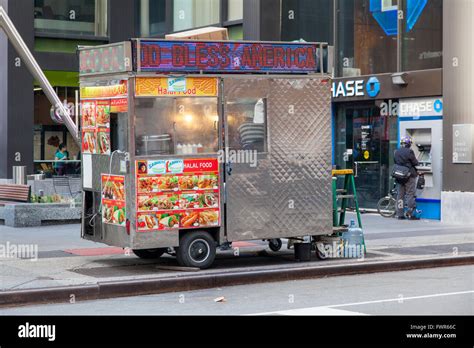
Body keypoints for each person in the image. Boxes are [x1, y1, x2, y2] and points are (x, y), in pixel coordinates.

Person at [394, 136, 419, 220]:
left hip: (399, 176)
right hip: (409, 176)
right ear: (409, 144)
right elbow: (415, 162)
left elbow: (396, 162)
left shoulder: (396, 151)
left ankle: (400, 214)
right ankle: (410, 214)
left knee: (400, 195)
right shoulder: (410, 152)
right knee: (410, 194)